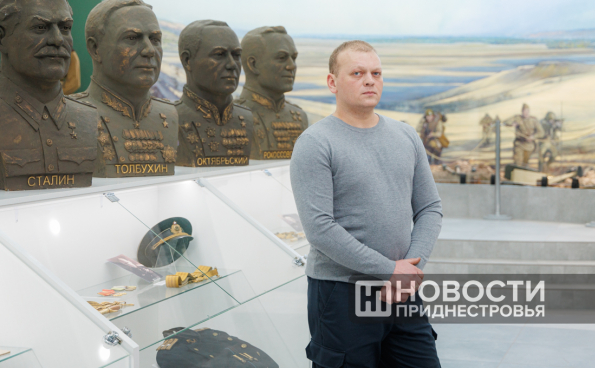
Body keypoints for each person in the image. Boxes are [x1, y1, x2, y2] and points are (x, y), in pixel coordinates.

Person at [291, 40, 443, 367]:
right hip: (342, 293)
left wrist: (410, 270)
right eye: (357, 73)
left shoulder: (406, 136)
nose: (370, 81)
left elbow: (430, 208)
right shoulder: (315, 143)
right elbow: (319, 228)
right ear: (332, 82)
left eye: (376, 73)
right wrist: (388, 270)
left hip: (402, 290)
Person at [0, 0, 98, 190]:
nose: (57, 40)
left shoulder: (91, 118)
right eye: (40, 28)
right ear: (2, 37)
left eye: (65, 28)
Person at [72, 0, 178, 177]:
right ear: (95, 48)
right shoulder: (72, 115)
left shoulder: (170, 114)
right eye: (131, 38)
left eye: (155, 39)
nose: (149, 50)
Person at [175, 20, 254, 167]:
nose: (232, 65)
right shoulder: (171, 118)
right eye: (219, 55)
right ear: (187, 61)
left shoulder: (247, 118)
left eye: (236, 55)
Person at [235, 26, 308, 160]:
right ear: (253, 64)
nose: (291, 66)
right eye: (282, 58)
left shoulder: (299, 117)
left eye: (293, 58)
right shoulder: (231, 117)